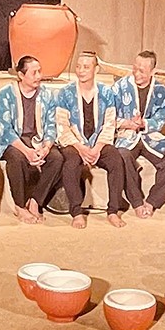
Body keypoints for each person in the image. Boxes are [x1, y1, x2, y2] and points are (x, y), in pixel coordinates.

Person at [54, 52, 126, 229]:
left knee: (116, 160)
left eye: (86, 67)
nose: (81, 70)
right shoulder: (66, 93)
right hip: (74, 143)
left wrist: (97, 148)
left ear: (96, 69)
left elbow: (109, 123)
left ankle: (113, 210)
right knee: (71, 164)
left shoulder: (106, 93)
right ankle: (76, 212)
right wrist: (80, 148)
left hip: (98, 143)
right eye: (78, 66)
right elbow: (62, 124)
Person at [0, 55, 62, 224]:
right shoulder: (6, 93)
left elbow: (51, 126)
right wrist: (27, 151)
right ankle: (19, 205)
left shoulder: (47, 94)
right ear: (21, 75)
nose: (38, 76)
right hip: (13, 141)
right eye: (34, 73)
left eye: (39, 71)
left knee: (57, 158)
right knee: (17, 159)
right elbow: (4, 129)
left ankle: (35, 201)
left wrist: (46, 148)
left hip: (38, 140)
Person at [112, 50, 165, 218]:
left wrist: (144, 123)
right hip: (126, 136)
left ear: (152, 71)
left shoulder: (160, 90)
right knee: (122, 156)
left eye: (142, 71)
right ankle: (136, 202)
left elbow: (161, 116)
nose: (137, 73)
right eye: (134, 68)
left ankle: (152, 202)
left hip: (150, 137)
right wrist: (126, 123)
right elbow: (109, 115)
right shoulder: (120, 87)